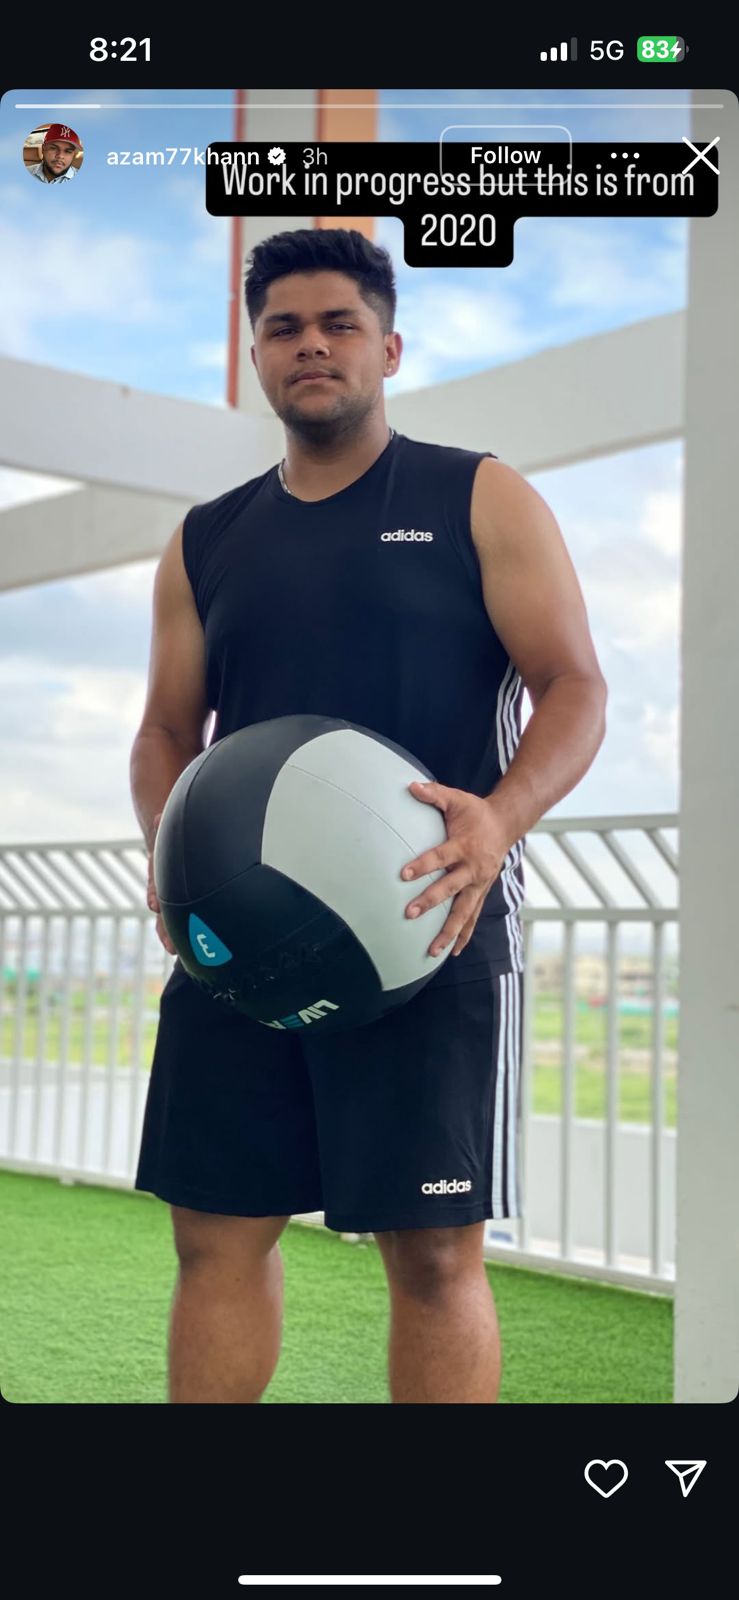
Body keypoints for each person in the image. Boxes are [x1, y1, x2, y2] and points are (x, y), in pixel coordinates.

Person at [130, 227, 607, 1404]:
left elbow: (574, 686)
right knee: (215, 1236)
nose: (312, 345)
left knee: (434, 1257)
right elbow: (164, 732)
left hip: (431, 921)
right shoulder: (205, 539)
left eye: (339, 323)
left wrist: (496, 821)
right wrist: (169, 860)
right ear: (256, 357)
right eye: (284, 328)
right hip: (239, 935)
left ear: (387, 348)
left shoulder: (477, 494)